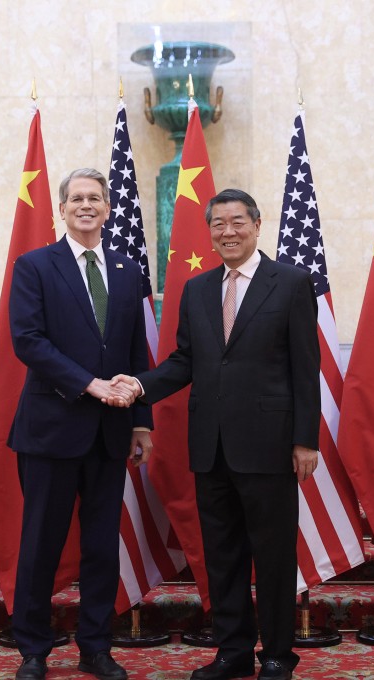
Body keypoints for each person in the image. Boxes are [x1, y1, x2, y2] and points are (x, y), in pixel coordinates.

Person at [112, 189, 320, 680]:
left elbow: (305, 368)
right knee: (222, 558)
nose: (228, 232)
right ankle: (233, 652)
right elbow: (187, 361)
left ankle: (276, 656)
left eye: (237, 222)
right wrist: (141, 384)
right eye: (218, 224)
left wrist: (304, 440)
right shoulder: (199, 289)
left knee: (272, 558)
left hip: (271, 447)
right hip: (211, 448)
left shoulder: (290, 283)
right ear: (209, 232)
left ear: (257, 224)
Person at [8, 168, 151, 680]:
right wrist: (89, 384)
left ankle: (95, 645)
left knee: (100, 546)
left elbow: (137, 347)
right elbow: (28, 341)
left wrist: (142, 421)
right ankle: (33, 649)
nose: (86, 206)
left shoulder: (129, 269)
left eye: (95, 198)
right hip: (51, 429)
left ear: (108, 208)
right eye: (76, 199)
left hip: (111, 434)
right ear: (61, 210)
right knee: (41, 543)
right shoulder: (35, 266)